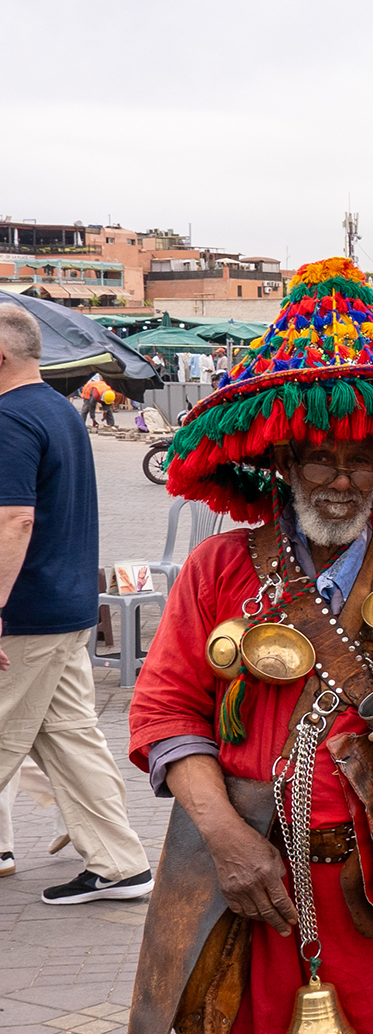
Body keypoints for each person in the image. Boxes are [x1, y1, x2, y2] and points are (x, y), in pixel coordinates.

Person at [128, 258, 373, 1034]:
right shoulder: (217, 570)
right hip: (249, 890)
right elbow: (165, 715)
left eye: (362, 458)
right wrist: (228, 842)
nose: (341, 478)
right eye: (321, 456)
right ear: (281, 462)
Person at [0, 301, 154, 905]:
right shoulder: (59, 411)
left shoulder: (10, 418)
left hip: (27, 613)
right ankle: (120, 865)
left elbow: (14, 521)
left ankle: (118, 864)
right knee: (69, 738)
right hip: (65, 607)